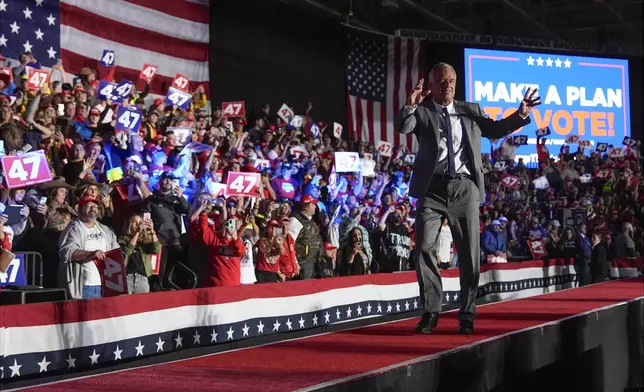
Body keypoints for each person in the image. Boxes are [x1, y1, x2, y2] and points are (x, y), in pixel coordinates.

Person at [395, 62, 541, 334]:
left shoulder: (470, 111)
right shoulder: (423, 113)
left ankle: (467, 314)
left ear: (455, 83)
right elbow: (404, 126)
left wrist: (520, 115)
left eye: (450, 80)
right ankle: (430, 311)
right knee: (424, 249)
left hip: (465, 189)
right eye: (440, 80)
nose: (446, 85)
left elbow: (495, 130)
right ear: (432, 84)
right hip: (432, 189)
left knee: (469, 255)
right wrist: (410, 104)